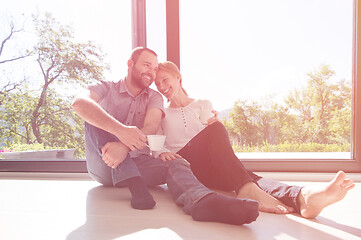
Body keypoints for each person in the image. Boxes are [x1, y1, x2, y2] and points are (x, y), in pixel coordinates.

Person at [72, 47, 259, 225]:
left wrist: (125, 147)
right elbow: (79, 103)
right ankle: (135, 185)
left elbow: (151, 126)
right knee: (92, 114)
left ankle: (203, 201)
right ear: (130, 63)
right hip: (103, 164)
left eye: (154, 68)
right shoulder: (106, 87)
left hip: (140, 165)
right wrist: (121, 132)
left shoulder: (154, 97)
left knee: (176, 161)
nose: (152, 72)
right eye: (147, 65)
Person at [153, 60, 355, 218]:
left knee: (249, 177)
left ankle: (303, 197)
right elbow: (156, 144)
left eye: (165, 79)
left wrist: (214, 125)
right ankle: (250, 189)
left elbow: (215, 141)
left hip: (210, 165)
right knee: (219, 135)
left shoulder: (202, 103)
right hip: (185, 164)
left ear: (178, 77)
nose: (161, 86)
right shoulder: (161, 112)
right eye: (157, 83)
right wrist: (163, 153)